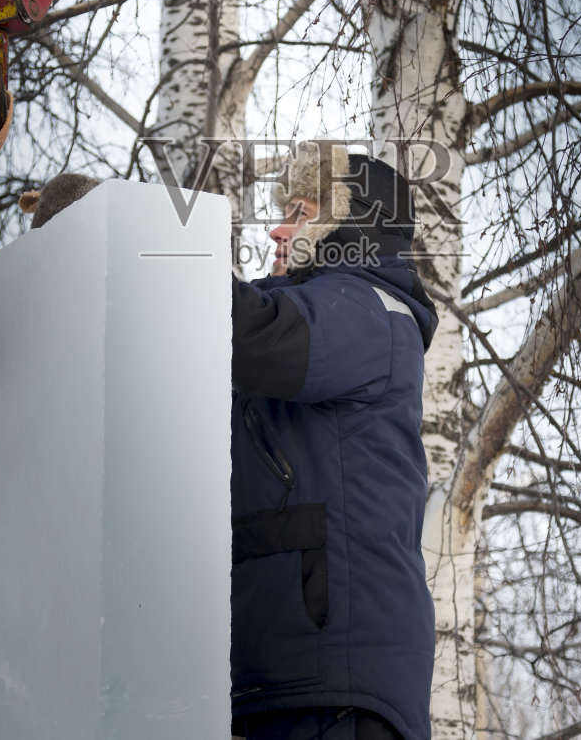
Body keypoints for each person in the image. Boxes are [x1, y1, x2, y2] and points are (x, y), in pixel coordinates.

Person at [230, 141, 439, 740]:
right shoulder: (324, 309)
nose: (276, 230)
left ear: (346, 225)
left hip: (338, 683)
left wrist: (135, 242)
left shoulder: (369, 309)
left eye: (298, 212)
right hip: (291, 677)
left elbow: (253, 334)